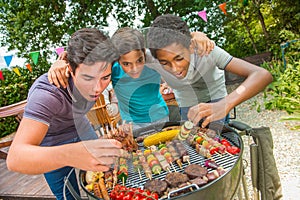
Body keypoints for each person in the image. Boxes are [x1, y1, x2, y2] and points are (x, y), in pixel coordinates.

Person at [6, 28, 126, 200]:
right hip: (51, 142)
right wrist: (71, 154)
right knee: (69, 196)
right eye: (88, 78)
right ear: (70, 69)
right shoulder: (47, 95)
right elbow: (15, 158)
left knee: (111, 175)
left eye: (105, 78)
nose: (98, 88)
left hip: (80, 127)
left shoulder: (94, 65)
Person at [48, 28, 214, 130]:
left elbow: (176, 45)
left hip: (161, 118)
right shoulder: (111, 68)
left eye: (139, 60)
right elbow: (82, 58)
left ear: (144, 53)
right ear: (117, 59)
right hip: (131, 125)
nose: (134, 69)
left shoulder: (154, 60)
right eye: (126, 63)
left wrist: (196, 34)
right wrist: (59, 61)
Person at [146, 14, 273, 128]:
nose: (175, 69)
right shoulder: (150, 55)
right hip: (186, 103)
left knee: (218, 142)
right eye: (164, 63)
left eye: (179, 58)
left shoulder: (207, 50)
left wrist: (225, 104)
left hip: (216, 99)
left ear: (190, 46)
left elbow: (261, 75)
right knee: (191, 142)